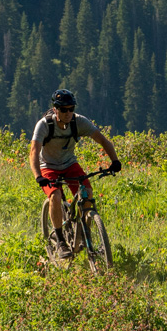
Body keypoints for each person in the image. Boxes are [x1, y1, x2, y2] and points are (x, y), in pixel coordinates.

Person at [29, 87, 121, 247]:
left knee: (87, 194)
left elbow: (103, 141)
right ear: (55, 109)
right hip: (49, 166)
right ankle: (60, 241)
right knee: (55, 196)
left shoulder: (79, 122)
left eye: (71, 109)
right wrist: (38, 175)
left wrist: (115, 161)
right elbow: (34, 152)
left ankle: (83, 236)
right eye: (63, 109)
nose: (68, 113)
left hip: (70, 164)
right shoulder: (44, 125)